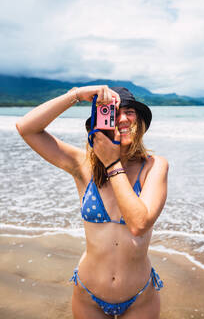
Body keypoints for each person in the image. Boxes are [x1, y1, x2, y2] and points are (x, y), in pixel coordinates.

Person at [16, 85, 168, 319]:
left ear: (141, 121)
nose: (122, 118)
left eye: (129, 111)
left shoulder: (154, 166)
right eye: (113, 111)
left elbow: (139, 223)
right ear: (99, 122)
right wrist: (75, 95)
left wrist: (112, 164)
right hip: (89, 296)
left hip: (140, 297)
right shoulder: (83, 165)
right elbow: (27, 129)